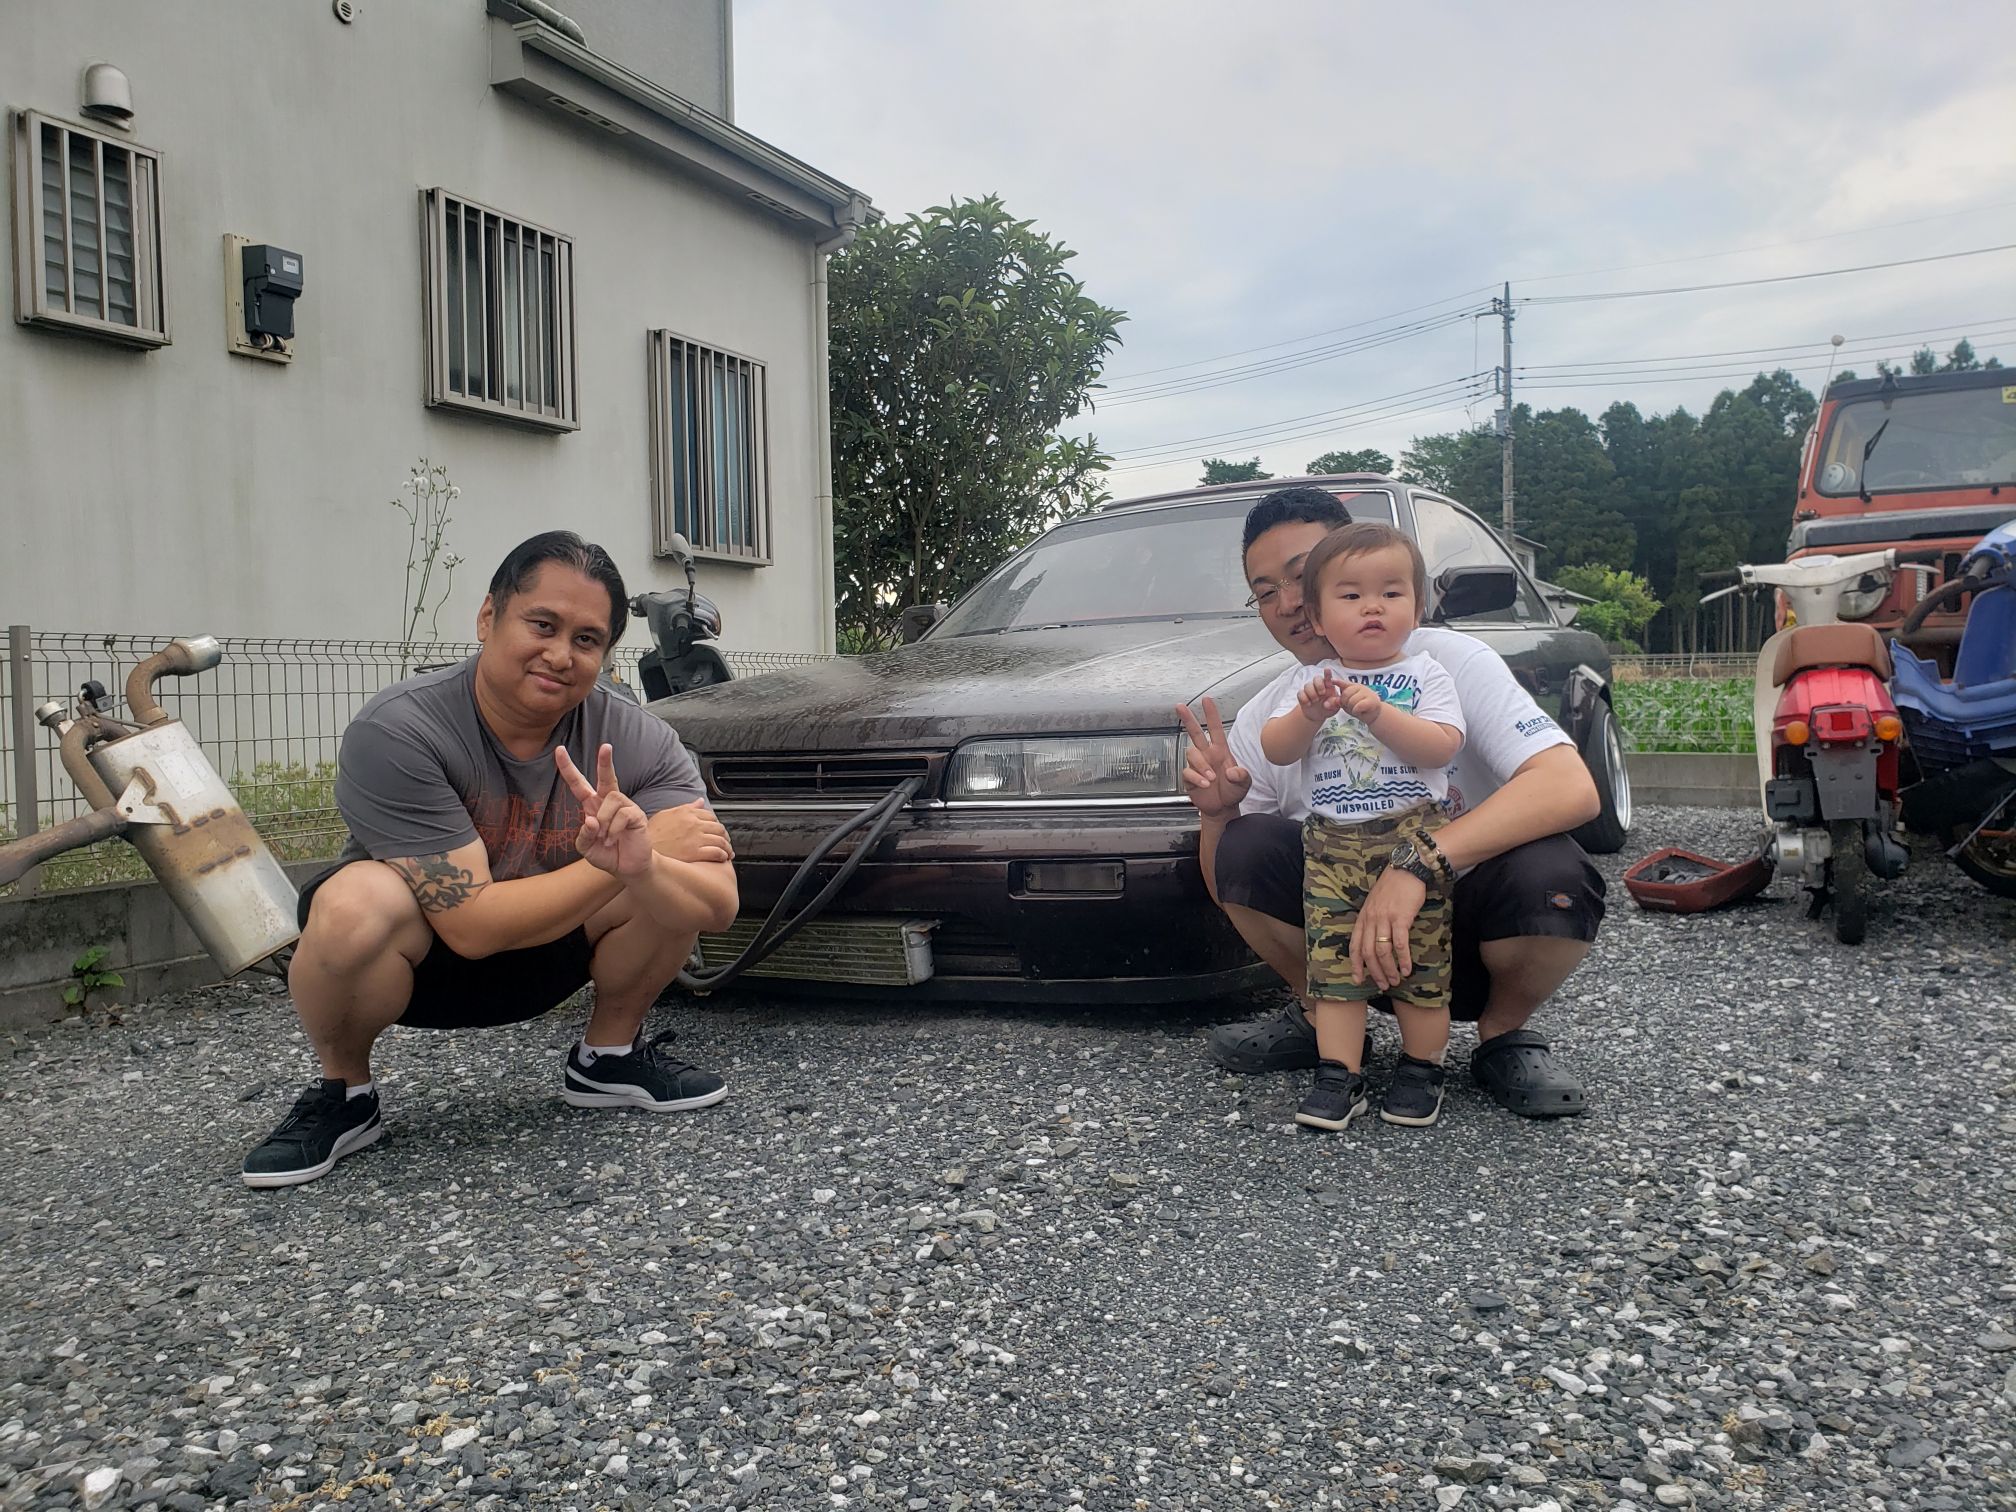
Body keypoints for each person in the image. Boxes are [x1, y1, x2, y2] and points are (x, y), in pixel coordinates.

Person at [242, 531, 739, 1188]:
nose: (560, 654)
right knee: (352, 903)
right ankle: (345, 1093)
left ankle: (608, 1056)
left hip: (558, 948)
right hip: (424, 960)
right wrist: (616, 863)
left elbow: (718, 905)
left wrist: (644, 867)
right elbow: (472, 927)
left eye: (587, 639)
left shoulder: (638, 738)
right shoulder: (399, 730)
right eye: (542, 625)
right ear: (487, 618)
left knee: (661, 878)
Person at [1176, 486, 1604, 1116]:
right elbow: (1231, 885)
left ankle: (1503, 1032)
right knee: (1247, 842)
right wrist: (1216, 814)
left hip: (1462, 924)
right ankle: (1320, 1019)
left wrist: (1419, 863)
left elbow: (1570, 787)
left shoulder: (1446, 664)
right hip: (1343, 935)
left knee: (1555, 872)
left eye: (1302, 573)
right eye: (1266, 591)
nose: (1289, 602)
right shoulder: (1278, 709)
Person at [1258, 522, 1465, 1132]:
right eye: (1350, 596)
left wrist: (1379, 714)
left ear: (1417, 608)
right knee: (1332, 972)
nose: (1372, 607)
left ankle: (1422, 1067)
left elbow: (1441, 746)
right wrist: (1306, 717)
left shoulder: (1426, 675)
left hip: (1411, 842)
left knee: (1421, 966)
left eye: (1391, 593)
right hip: (1331, 849)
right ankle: (1339, 1074)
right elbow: (1276, 749)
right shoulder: (1308, 682)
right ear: (1318, 617)